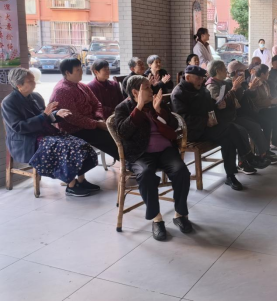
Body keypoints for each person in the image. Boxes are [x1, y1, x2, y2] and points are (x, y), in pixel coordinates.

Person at [114, 75, 192, 241]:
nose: (152, 90)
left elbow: (174, 124)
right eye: (147, 88)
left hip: (165, 150)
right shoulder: (123, 108)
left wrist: (158, 112)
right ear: (135, 92)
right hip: (140, 153)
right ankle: (157, 218)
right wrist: (139, 107)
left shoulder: (156, 103)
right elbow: (123, 132)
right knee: (146, 174)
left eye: (150, 87)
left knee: (181, 172)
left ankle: (180, 214)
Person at [2, 68, 99, 197]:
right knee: (64, 147)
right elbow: (19, 127)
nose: (34, 83)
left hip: (45, 134)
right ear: (19, 85)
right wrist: (45, 115)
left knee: (79, 143)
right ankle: (71, 185)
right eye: (30, 81)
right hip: (27, 140)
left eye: (33, 80)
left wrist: (56, 114)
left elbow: (46, 116)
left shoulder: (35, 97)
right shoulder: (8, 102)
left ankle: (81, 181)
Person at [171, 65, 264, 190]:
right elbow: (182, 118)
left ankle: (231, 176)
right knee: (230, 128)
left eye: (202, 78)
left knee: (228, 137)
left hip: (206, 128)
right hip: (192, 132)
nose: (201, 81)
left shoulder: (200, 89)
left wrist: (218, 105)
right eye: (198, 78)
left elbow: (210, 106)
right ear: (188, 78)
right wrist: (205, 121)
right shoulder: (179, 93)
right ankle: (248, 157)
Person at [205, 60, 276, 166]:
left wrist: (249, 89)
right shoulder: (214, 85)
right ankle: (244, 161)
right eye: (224, 69)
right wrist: (235, 88)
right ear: (218, 71)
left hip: (235, 114)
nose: (226, 72)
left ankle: (262, 153)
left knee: (256, 125)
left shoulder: (225, 83)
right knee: (242, 130)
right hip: (227, 118)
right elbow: (220, 104)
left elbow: (238, 99)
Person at [50, 58, 119, 161]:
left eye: (81, 68)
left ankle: (130, 161)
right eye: (78, 70)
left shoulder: (81, 85)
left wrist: (98, 118)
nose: (81, 72)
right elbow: (73, 118)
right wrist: (96, 124)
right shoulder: (62, 90)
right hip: (74, 129)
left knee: (120, 131)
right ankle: (128, 163)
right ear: (67, 72)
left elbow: (96, 104)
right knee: (111, 138)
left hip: (91, 123)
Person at [248, 65, 277, 151]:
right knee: (274, 118)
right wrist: (273, 102)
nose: (268, 74)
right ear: (262, 74)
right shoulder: (255, 84)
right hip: (259, 110)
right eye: (267, 73)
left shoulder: (265, 83)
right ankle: (267, 147)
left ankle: (274, 143)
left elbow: (269, 97)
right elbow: (257, 103)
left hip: (266, 108)